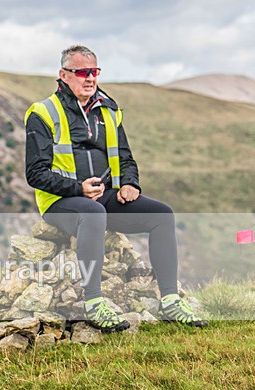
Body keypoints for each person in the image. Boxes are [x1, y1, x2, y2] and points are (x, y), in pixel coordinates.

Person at [24, 44, 207, 331]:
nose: (90, 78)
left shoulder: (108, 110)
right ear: (63, 75)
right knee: (93, 213)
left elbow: (125, 157)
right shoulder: (42, 113)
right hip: (61, 202)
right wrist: (77, 189)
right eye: (81, 72)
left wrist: (131, 184)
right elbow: (35, 173)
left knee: (163, 215)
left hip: (104, 196)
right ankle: (94, 302)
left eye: (94, 71)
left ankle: (170, 301)